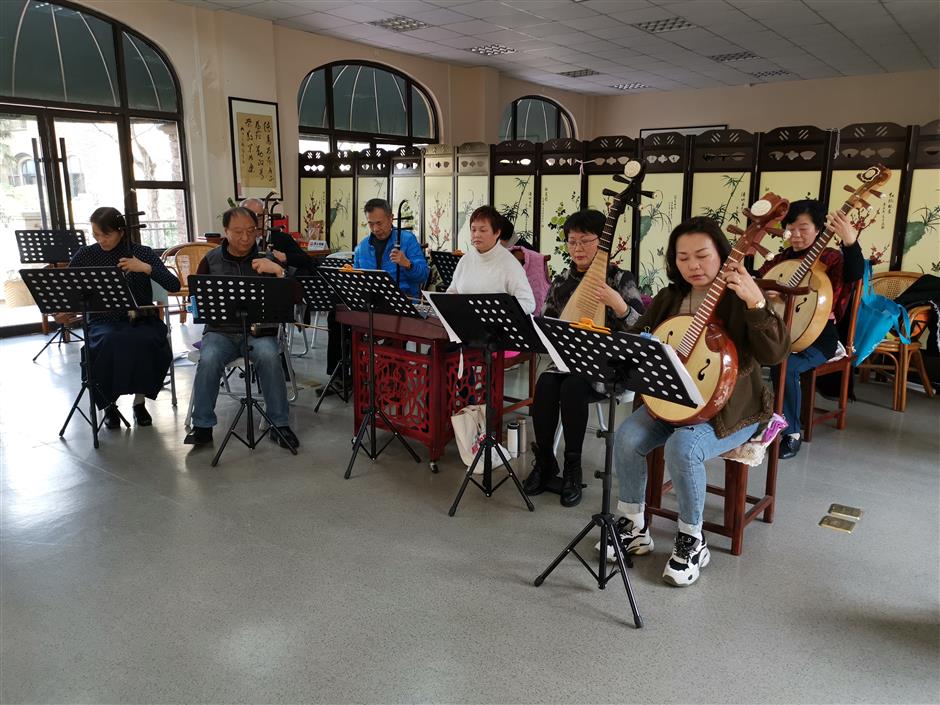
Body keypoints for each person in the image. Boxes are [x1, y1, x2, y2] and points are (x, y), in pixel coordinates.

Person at [607, 216, 790, 587]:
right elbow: (643, 337)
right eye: (683, 257)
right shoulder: (671, 297)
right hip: (671, 400)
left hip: (729, 411)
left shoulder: (741, 298)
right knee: (626, 437)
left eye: (703, 255)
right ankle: (634, 525)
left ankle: (693, 538)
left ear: (724, 253)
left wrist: (756, 302)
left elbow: (775, 353)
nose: (693, 265)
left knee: (683, 446)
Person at [523, 209, 645, 507]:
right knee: (546, 385)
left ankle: (573, 469)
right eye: (571, 241)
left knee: (573, 387)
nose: (577, 248)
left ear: (602, 244)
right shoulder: (563, 280)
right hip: (567, 361)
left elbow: (643, 330)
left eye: (585, 241)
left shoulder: (620, 279)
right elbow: (548, 323)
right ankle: (546, 462)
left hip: (609, 369)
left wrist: (619, 306)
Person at [184, 207, 300, 449]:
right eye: (238, 232)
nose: (246, 238)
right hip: (221, 331)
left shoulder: (268, 259)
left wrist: (279, 272)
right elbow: (196, 299)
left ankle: (279, 424)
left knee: (269, 356)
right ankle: (203, 426)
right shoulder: (211, 260)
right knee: (209, 357)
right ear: (225, 232)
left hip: (259, 331)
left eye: (251, 231)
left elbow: (296, 296)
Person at [756, 200, 863, 460]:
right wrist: (764, 290)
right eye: (790, 229)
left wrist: (850, 241)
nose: (796, 235)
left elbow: (854, 273)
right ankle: (746, 421)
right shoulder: (779, 260)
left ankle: (791, 433)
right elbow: (754, 281)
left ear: (818, 229)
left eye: (803, 228)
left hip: (819, 336)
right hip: (781, 332)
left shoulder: (830, 258)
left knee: (787, 365)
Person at [68, 207, 181, 428]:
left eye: (106, 235)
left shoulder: (142, 252)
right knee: (109, 341)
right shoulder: (86, 255)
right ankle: (109, 405)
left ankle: (139, 404)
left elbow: (174, 285)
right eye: (96, 235)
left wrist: (145, 268)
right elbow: (69, 286)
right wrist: (65, 311)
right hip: (103, 321)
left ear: (121, 231)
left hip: (142, 319)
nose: (101, 240)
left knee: (145, 340)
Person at [446, 205, 536, 314]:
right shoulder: (465, 260)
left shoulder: (509, 264)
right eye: (473, 230)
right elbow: (452, 292)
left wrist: (498, 312)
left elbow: (528, 303)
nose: (476, 234)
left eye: (483, 230)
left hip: (498, 328)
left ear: (497, 232)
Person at [353, 198, 428, 298]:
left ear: (391, 218)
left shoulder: (408, 240)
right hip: (371, 305)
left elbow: (423, 276)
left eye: (379, 223)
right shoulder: (362, 246)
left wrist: (408, 264)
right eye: (370, 224)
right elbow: (356, 280)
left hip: (404, 303)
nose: (375, 229)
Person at [240, 198, 314, 276]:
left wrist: (285, 257)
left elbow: (307, 261)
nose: (254, 222)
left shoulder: (281, 238)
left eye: (259, 217)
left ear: (266, 217)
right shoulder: (239, 239)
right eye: (248, 217)